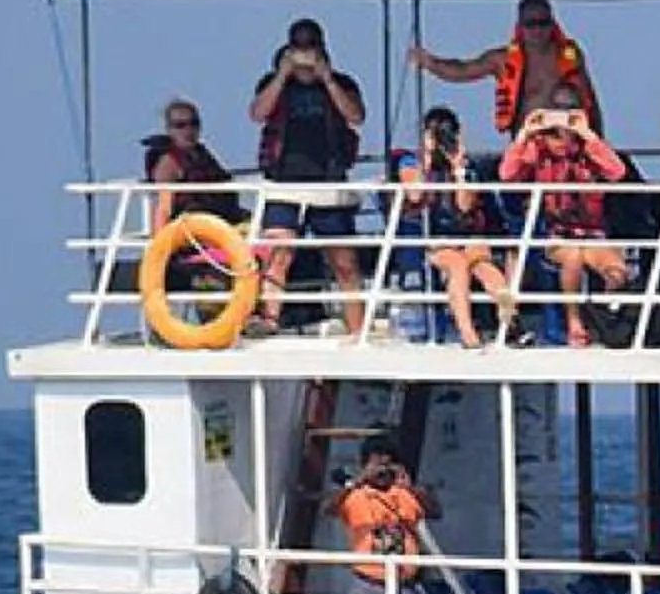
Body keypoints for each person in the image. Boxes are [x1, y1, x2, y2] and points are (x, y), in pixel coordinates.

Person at [248, 18, 367, 339]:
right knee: (278, 253)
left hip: (328, 181)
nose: (304, 55)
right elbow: (257, 114)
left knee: (344, 262)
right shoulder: (273, 83)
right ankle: (269, 319)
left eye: (309, 48)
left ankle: (358, 328)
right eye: (298, 49)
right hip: (283, 181)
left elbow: (355, 116)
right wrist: (283, 74)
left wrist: (326, 79)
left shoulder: (341, 82)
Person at [496, 86, 630, 348]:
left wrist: (588, 136)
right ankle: (574, 323)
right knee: (572, 258)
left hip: (592, 234)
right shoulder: (539, 148)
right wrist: (524, 134)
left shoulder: (588, 148)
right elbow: (507, 174)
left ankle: (607, 322)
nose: (560, 138)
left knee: (616, 271)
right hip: (557, 234)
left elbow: (617, 171)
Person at [394, 107, 513, 347]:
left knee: (482, 263)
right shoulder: (410, 162)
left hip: (465, 235)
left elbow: (465, 206)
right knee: (457, 265)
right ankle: (468, 334)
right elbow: (415, 195)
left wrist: (459, 168)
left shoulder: (466, 167)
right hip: (431, 236)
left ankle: (511, 322)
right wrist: (426, 162)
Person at [413, 0, 603, 138]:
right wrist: (430, 63)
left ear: (553, 25)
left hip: (567, 144)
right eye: (531, 23)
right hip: (527, 146)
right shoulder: (501, 60)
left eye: (543, 23)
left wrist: (599, 139)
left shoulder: (569, 55)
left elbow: (590, 100)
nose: (537, 30)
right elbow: (463, 70)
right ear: (520, 26)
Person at [331, 438, 438, 594]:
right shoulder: (356, 495)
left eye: (388, 465)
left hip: (407, 585)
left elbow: (434, 511)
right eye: (376, 466)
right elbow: (329, 507)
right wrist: (358, 480)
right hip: (369, 583)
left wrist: (410, 487)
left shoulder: (406, 494)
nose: (382, 472)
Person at [144, 99, 242, 237]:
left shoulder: (202, 155)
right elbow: (163, 208)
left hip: (220, 220)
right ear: (169, 129)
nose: (188, 130)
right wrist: (159, 244)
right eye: (180, 125)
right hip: (191, 227)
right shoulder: (168, 163)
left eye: (194, 124)